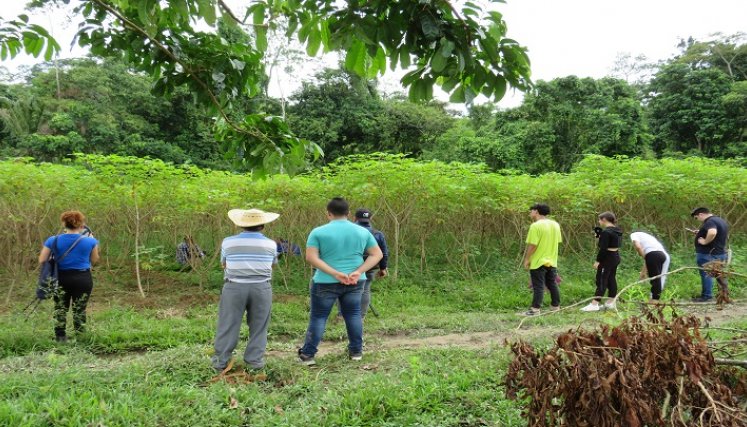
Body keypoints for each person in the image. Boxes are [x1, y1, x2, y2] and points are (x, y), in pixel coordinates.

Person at [298, 197, 383, 365]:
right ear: (349, 214)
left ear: (328, 214)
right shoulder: (362, 232)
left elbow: (311, 257)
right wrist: (358, 272)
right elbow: (377, 254)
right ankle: (356, 352)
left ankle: (308, 355)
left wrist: (335, 273)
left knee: (319, 317)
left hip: (324, 281)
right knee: (353, 315)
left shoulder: (318, 232)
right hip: (355, 282)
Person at [212, 208, 279, 372]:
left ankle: (221, 362)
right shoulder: (271, 244)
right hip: (262, 287)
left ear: (241, 225)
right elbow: (272, 264)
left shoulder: (228, 242)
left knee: (228, 323)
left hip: (234, 287)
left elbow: (224, 264)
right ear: (263, 225)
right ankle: (254, 361)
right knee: (259, 325)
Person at [38, 211, 100, 342]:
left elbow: (42, 259)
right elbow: (95, 260)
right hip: (83, 278)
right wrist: (91, 240)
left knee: (60, 308)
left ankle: (60, 338)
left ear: (63, 223)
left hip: (61, 278)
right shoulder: (90, 241)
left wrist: (54, 258)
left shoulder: (52, 240)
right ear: (81, 224)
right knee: (80, 309)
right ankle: (81, 337)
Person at [334, 208, 389, 320]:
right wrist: (383, 268)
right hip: (369, 266)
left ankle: (342, 315)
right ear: (370, 219)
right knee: (365, 289)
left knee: (343, 288)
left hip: (348, 266)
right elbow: (383, 253)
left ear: (354, 218)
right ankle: (360, 316)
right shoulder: (378, 234)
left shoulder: (345, 232)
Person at [522, 203, 562, 316]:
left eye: (531, 211)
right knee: (552, 284)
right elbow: (557, 241)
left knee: (538, 285)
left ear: (536, 211)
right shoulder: (555, 225)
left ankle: (535, 310)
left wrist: (527, 259)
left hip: (538, 261)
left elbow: (533, 245)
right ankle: (555, 306)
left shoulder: (535, 226)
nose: (530, 213)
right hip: (552, 260)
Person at [581, 212, 623, 312]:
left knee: (601, 280)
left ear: (604, 219)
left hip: (607, 258)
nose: (599, 222)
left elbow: (603, 248)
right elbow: (611, 243)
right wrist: (600, 237)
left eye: (599, 220)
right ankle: (610, 302)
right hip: (616, 256)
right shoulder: (618, 230)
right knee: (611, 279)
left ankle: (594, 304)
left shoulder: (606, 232)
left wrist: (597, 261)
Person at [689, 207, 730, 302]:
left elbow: (712, 232)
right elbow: (718, 234)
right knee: (719, 274)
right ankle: (725, 295)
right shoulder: (720, 220)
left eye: (696, 217)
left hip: (708, 254)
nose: (697, 220)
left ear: (701, 214)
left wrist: (704, 242)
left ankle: (706, 296)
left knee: (706, 274)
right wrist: (700, 233)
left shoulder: (709, 221)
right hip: (719, 253)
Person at [630, 231, 671, 302]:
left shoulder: (634, 234)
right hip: (664, 255)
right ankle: (654, 299)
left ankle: (654, 301)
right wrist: (643, 272)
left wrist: (644, 256)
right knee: (660, 279)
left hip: (654, 255)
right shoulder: (648, 238)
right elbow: (649, 258)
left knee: (655, 279)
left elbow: (638, 247)